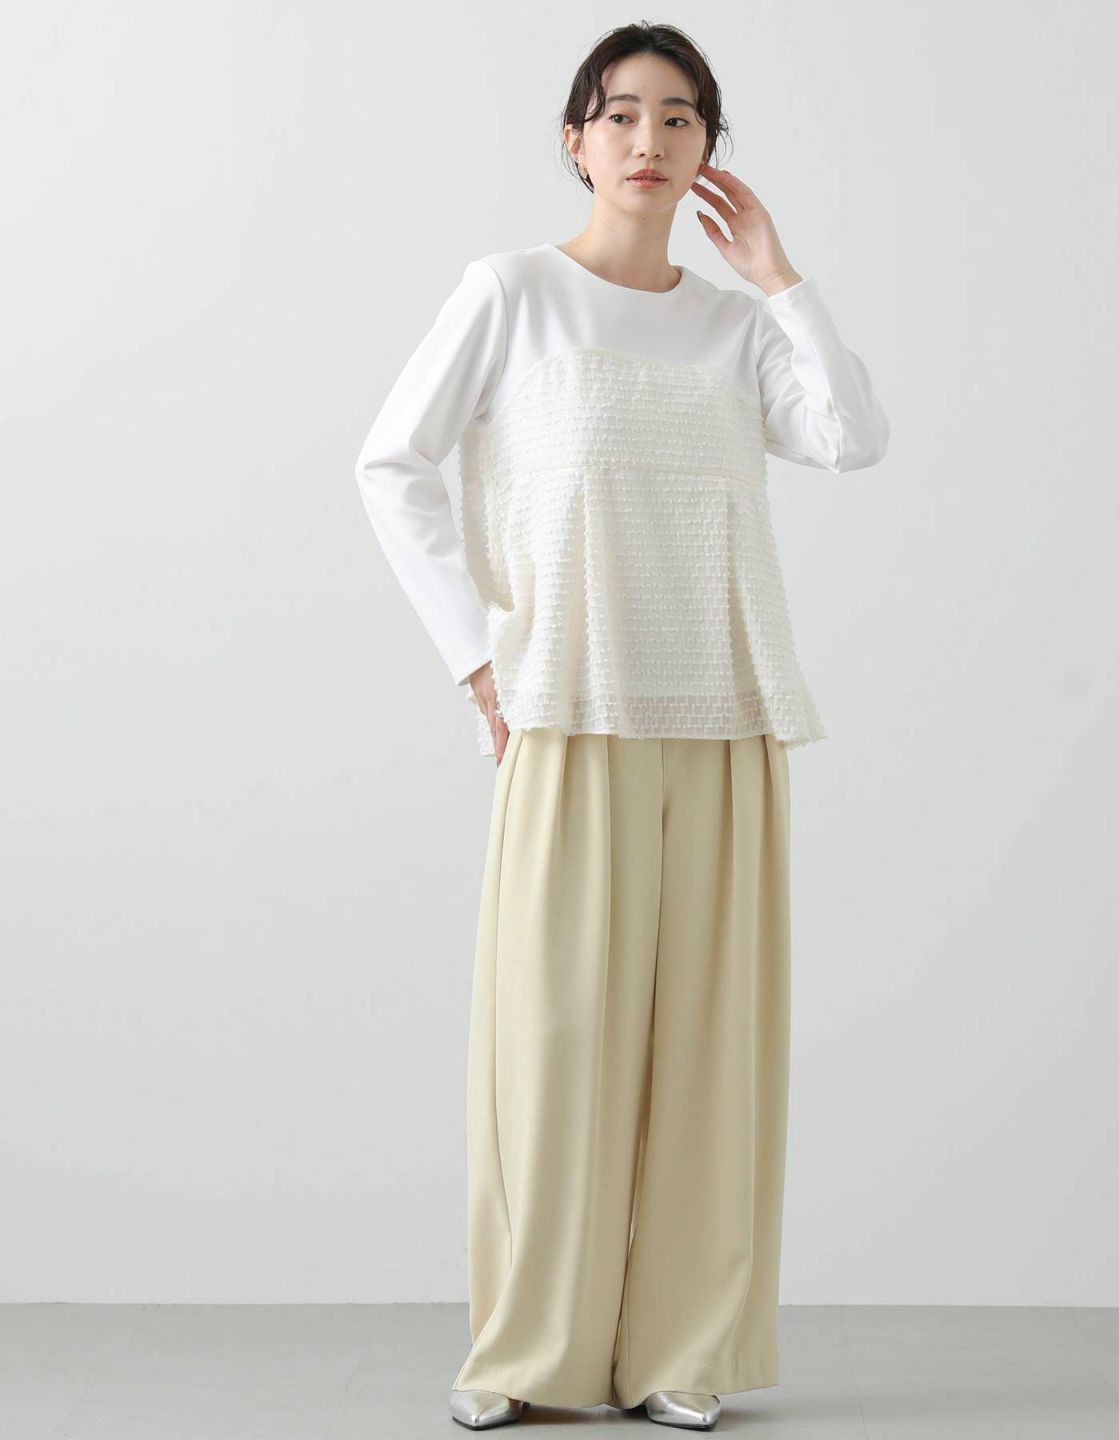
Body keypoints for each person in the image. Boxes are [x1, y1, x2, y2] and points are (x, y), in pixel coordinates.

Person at [353, 21, 889, 1432]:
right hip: (566, 708)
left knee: (711, 1046)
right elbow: (391, 462)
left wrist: (779, 278)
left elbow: (851, 439)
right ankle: (528, 1353)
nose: (650, 141)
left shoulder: (735, 327)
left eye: (680, 117)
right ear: (576, 139)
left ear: (711, 144)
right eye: (621, 114)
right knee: (555, 1041)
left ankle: (680, 1353)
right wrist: (476, 655)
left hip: (723, 713)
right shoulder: (513, 294)